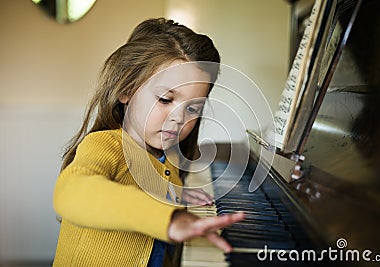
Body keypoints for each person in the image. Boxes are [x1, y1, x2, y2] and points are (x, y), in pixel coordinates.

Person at [52, 18, 245, 267]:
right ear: (126, 90)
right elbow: (71, 192)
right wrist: (171, 219)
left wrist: (179, 197)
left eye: (193, 108)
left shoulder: (169, 159)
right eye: (165, 99)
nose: (178, 118)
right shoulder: (105, 145)